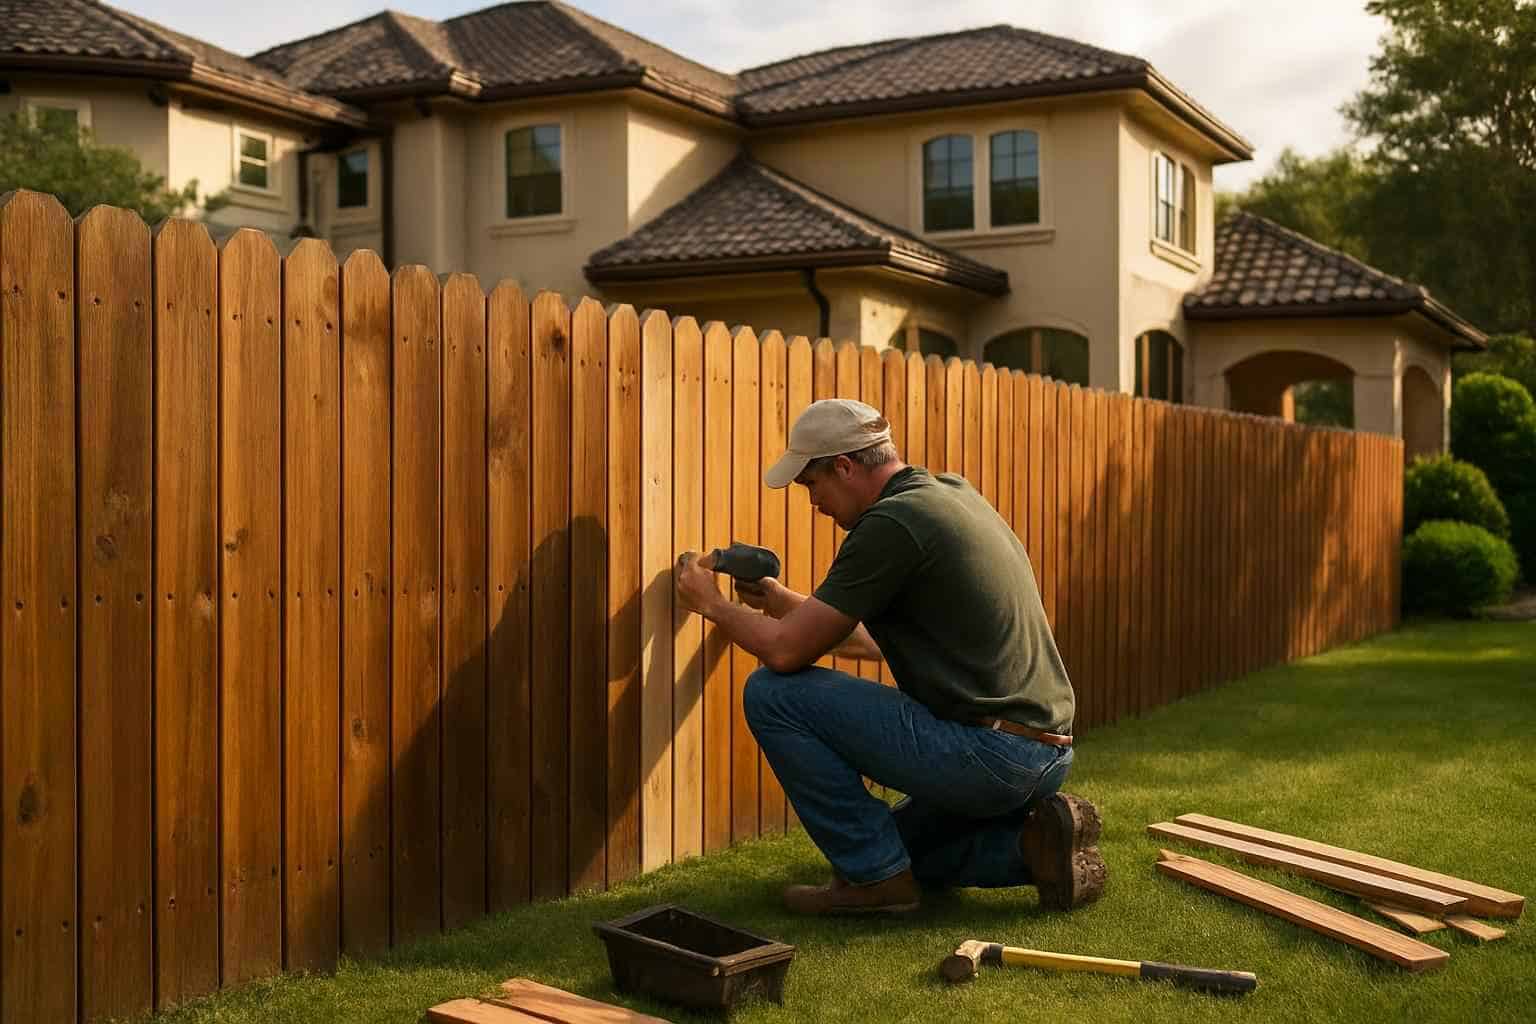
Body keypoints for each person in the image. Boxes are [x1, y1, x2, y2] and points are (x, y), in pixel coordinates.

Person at [674, 397, 1106, 916]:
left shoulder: (890, 525)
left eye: (812, 484)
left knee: (773, 694)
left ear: (845, 466)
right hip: (1042, 753)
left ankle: (876, 885)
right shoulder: (948, 495)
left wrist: (712, 605)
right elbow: (871, 641)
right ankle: (1033, 852)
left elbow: (787, 654)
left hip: (992, 755)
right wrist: (777, 601)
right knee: (904, 850)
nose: (813, 502)